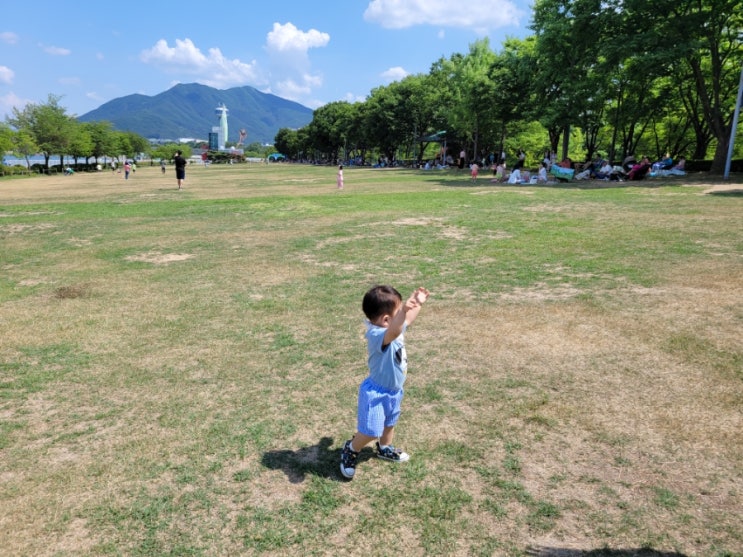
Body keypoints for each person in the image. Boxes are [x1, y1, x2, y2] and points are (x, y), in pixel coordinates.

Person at [340, 285, 430, 480]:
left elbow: (406, 320)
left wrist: (417, 304)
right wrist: (403, 311)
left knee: (390, 423)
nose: (403, 317)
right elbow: (398, 325)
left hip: (394, 390)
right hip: (377, 393)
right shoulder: (378, 335)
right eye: (399, 313)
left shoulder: (391, 327)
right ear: (386, 320)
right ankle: (351, 448)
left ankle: (385, 448)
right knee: (371, 430)